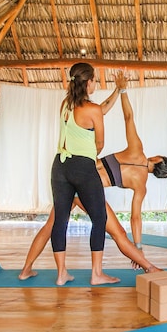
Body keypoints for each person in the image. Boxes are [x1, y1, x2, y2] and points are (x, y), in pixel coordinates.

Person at [19, 71, 167, 280]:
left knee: (52, 225)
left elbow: (128, 117)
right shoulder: (141, 185)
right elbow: (135, 218)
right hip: (86, 187)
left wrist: (123, 92)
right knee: (118, 233)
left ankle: (26, 269)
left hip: (72, 179)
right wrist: (138, 246)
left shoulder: (136, 149)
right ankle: (148, 267)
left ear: (157, 158)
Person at [47, 62, 118, 286]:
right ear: (88, 82)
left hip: (60, 165)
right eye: (95, 80)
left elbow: (100, 110)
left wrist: (118, 91)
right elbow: (100, 143)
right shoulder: (92, 109)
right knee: (99, 218)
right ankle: (97, 274)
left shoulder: (65, 105)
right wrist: (89, 156)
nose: (96, 83)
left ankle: (61, 274)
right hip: (83, 167)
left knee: (61, 219)